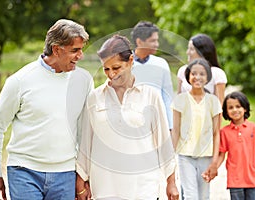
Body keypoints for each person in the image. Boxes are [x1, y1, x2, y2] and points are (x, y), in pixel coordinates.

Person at [0, 19, 93, 200]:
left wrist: (83, 175)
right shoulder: (20, 81)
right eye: (75, 50)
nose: (80, 56)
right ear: (56, 49)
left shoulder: (84, 81)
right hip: (24, 172)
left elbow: (84, 131)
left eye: (81, 50)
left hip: (66, 173)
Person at [75, 35, 179, 200]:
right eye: (106, 69)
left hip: (143, 189)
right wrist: (80, 183)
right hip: (104, 189)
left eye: (116, 67)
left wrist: (171, 182)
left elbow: (164, 142)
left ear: (131, 61)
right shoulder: (95, 98)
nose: (111, 74)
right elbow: (86, 143)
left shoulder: (150, 96)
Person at [209, 91, 255, 199]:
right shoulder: (224, 132)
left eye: (238, 106)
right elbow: (221, 155)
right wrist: (213, 169)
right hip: (235, 181)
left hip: (254, 180)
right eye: (230, 108)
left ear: (245, 108)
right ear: (226, 111)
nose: (235, 110)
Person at [171, 58, 222, 200]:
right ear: (188, 76)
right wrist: (170, 157)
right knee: (190, 196)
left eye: (202, 74)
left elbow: (216, 133)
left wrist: (214, 162)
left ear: (207, 78)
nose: (197, 77)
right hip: (185, 156)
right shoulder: (180, 100)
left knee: (204, 196)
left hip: (206, 156)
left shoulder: (213, 101)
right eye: (193, 73)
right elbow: (175, 131)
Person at [131, 21, 174, 131]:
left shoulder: (161, 64)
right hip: (132, 124)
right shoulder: (125, 64)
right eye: (153, 41)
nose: (157, 44)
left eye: (157, 40)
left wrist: (170, 127)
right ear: (139, 42)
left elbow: (167, 98)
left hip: (157, 124)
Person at [177, 33, 227, 105]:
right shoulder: (183, 71)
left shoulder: (217, 73)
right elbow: (178, 100)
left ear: (202, 52)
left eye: (191, 49)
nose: (187, 52)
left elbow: (219, 105)